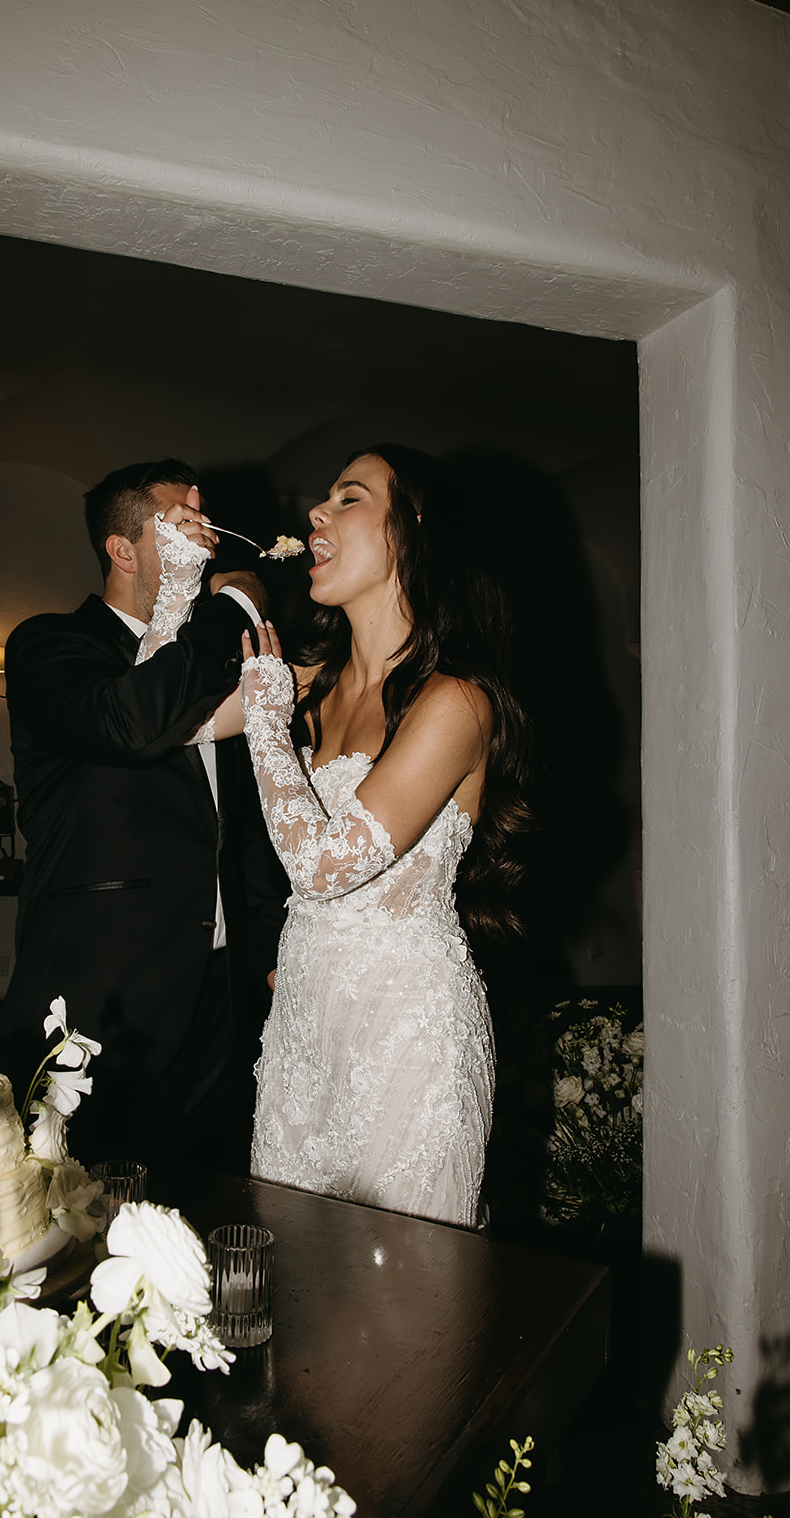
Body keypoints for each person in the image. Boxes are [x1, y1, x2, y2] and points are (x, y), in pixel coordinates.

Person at [235, 445, 533, 1227]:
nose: (315, 514)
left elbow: (324, 865)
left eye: (349, 498)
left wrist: (267, 723)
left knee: (402, 1316)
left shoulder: (457, 702)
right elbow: (157, 722)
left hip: (407, 1036)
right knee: (293, 1294)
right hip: (301, 1029)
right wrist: (197, 592)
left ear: (413, 532)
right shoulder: (308, 681)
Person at [0, 458, 286, 1172]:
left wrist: (273, 946)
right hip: (101, 996)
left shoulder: (221, 665)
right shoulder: (50, 644)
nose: (206, 540)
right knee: (77, 1219)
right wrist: (235, 602)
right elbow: (131, 722)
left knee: (203, 1214)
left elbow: (237, 830)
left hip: (221, 997)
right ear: (121, 549)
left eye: (205, 523)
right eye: (180, 526)